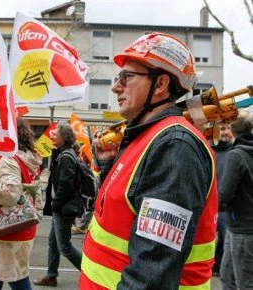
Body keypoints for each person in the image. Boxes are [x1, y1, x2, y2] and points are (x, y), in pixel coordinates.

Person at [79, 32, 218, 289]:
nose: (115, 86)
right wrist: (109, 167)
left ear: (161, 84)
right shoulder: (146, 137)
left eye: (127, 77)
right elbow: (122, 211)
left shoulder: (174, 146)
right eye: (118, 77)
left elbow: (153, 273)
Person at [0, 118, 42, 290]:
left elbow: (10, 194)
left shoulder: (8, 159)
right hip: (20, 226)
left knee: (15, 279)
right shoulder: (28, 158)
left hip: (6, 229)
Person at [33, 123, 83, 287]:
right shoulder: (64, 154)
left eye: (55, 134)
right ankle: (51, 276)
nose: (52, 136)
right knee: (53, 242)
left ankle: (91, 272)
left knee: (65, 247)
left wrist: (56, 204)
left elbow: (66, 185)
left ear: (64, 137)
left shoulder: (66, 156)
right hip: (61, 206)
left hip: (63, 207)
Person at [219, 116, 253, 290]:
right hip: (240, 227)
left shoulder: (236, 155)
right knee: (227, 276)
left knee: (244, 283)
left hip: (242, 228)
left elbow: (224, 194)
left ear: (232, 132)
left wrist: (208, 207)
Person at [211, 121, 233, 276]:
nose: (226, 132)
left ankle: (218, 268)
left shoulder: (235, 152)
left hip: (225, 208)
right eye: (223, 128)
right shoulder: (207, 150)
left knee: (225, 239)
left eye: (229, 128)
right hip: (208, 208)